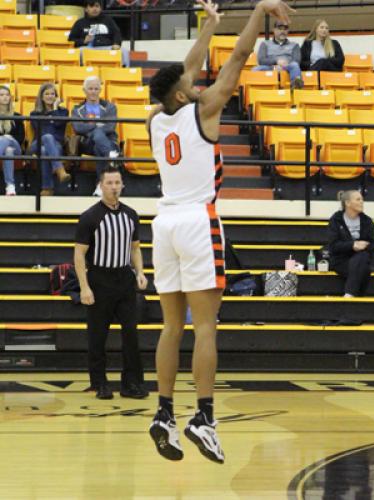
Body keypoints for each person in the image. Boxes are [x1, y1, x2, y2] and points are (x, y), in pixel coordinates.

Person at [147, 0, 293, 464]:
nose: (197, 81)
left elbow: (186, 68)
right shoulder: (204, 109)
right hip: (196, 220)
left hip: (163, 221)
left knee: (172, 327)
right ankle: (204, 418)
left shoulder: (155, 119)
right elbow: (239, 58)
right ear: (182, 95)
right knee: (206, 326)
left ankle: (163, 412)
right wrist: (259, 11)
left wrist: (209, 25)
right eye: (191, 84)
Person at [74, 166, 149, 400]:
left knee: (131, 334)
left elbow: (135, 248)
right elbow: (78, 255)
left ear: (122, 185)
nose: (114, 187)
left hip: (124, 280)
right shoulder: (89, 216)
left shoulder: (131, 214)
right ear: (101, 185)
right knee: (98, 336)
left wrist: (141, 272)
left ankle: (131, 384)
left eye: (117, 183)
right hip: (99, 279)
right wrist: (85, 287)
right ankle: (100, 383)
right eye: (109, 183)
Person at [71, 76, 119, 196]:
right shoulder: (77, 110)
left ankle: (100, 186)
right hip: (87, 143)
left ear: (100, 90)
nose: (93, 91)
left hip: (108, 140)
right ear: (84, 90)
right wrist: (97, 125)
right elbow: (78, 128)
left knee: (99, 145)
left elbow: (110, 127)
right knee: (98, 133)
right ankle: (110, 155)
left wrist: (90, 125)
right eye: (90, 88)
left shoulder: (110, 107)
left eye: (96, 89)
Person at [328, 190, 374, 297]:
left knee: (362, 257)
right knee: (364, 271)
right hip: (341, 260)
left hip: (361, 258)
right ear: (347, 203)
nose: (362, 202)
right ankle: (353, 294)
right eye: (358, 199)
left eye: (362, 199)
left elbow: (373, 245)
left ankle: (349, 294)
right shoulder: (336, 220)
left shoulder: (367, 221)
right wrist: (352, 245)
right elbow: (333, 246)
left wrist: (364, 246)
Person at [30, 83, 71, 196]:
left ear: (56, 96)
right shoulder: (35, 113)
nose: (50, 96)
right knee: (47, 137)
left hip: (56, 145)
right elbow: (42, 131)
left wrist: (54, 109)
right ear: (41, 97)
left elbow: (58, 123)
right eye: (46, 94)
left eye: (52, 94)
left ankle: (47, 189)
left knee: (44, 151)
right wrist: (52, 120)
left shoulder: (63, 112)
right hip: (37, 143)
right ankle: (60, 170)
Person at [68, 0, 130, 67]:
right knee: (80, 51)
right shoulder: (79, 23)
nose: (95, 9)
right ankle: (82, 72)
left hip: (107, 47)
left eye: (97, 6)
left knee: (123, 51)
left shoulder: (108, 20)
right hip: (88, 49)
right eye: (91, 6)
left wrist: (116, 43)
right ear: (86, 9)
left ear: (100, 8)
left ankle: (124, 73)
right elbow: (71, 39)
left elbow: (117, 33)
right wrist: (83, 41)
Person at [253, 20, 303, 88]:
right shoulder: (265, 44)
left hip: (287, 67)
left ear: (288, 31)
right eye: (280, 29)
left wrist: (284, 64)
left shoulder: (294, 45)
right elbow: (261, 60)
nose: (282, 32)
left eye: (285, 29)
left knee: (294, 65)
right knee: (256, 69)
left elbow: (297, 60)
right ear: (274, 30)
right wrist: (276, 61)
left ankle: (296, 88)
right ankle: (256, 91)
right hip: (270, 67)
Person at [0, 85, 25, 196]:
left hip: (17, 148)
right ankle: (10, 186)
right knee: (8, 150)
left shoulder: (17, 116)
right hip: (7, 151)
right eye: (1, 95)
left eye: (7, 95)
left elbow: (21, 138)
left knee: (7, 139)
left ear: (10, 97)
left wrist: (7, 138)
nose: (5, 97)